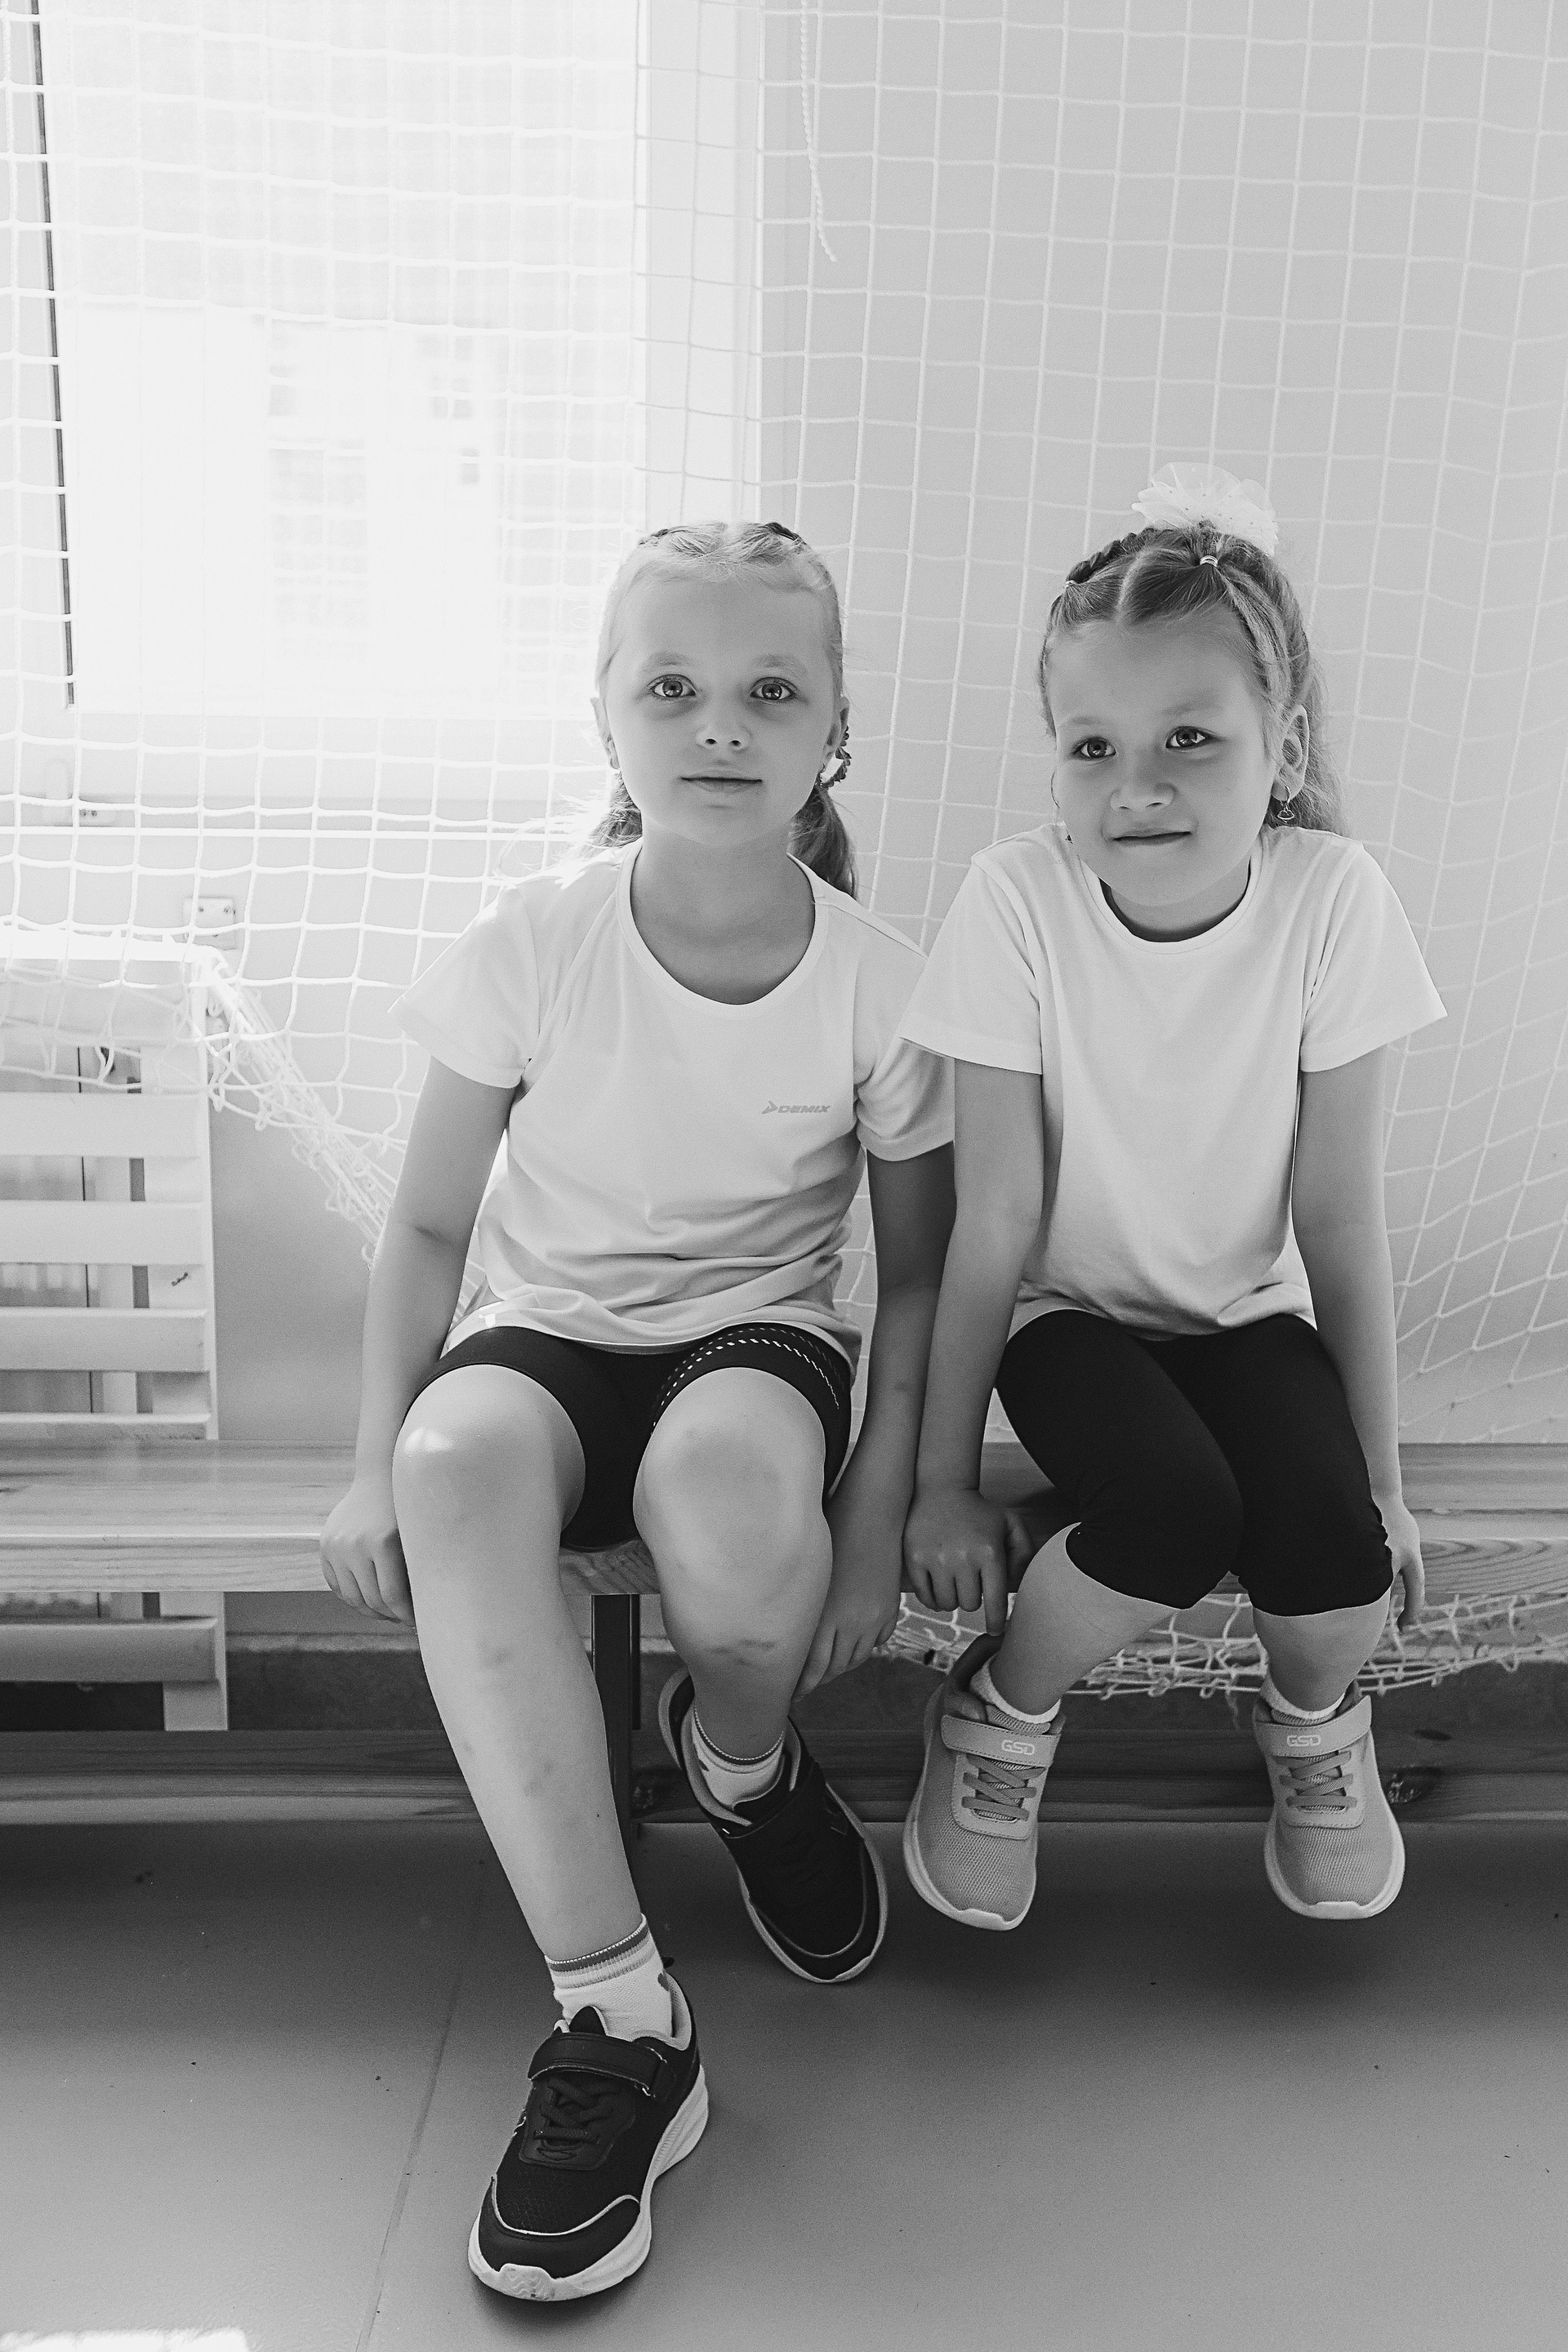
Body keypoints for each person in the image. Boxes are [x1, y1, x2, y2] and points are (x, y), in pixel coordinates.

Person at [320, 518, 952, 2302]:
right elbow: (429, 1228)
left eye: (771, 690)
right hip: (550, 1335)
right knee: (454, 1464)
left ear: (836, 731)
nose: (720, 724)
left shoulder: (880, 981)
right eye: (670, 687)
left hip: (753, 1343)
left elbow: (916, 1277)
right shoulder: (534, 939)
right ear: (605, 718)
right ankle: (618, 2015)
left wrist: (878, 1516)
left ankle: (740, 1760)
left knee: (731, 1491)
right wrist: (374, 1462)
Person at [898, 466, 1445, 1936]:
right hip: (1067, 1319)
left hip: (1245, 1317)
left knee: (1332, 1555)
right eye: (1094, 745)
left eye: (1190, 737)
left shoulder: (1335, 900)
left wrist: (1382, 1483)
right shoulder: (1016, 900)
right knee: (1177, 1512)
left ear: (1283, 747)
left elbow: (1339, 1219)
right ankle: (1001, 1711)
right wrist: (944, 1483)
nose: (1136, 784)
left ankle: (1317, 1728)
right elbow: (990, 1220)